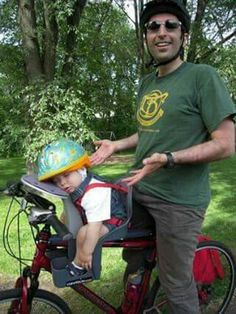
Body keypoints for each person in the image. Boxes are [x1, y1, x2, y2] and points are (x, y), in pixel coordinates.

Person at [91, 0, 236, 313]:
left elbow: (226, 144)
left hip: (178, 201)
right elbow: (148, 131)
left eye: (171, 25)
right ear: (146, 37)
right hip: (139, 188)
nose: (161, 32)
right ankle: (137, 302)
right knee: (133, 259)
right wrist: (116, 146)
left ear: (183, 35)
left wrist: (169, 158)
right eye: (153, 27)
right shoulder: (146, 83)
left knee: (176, 283)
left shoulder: (202, 77)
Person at [37, 138, 127, 284]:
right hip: (97, 216)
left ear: (81, 169)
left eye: (66, 175)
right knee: (81, 232)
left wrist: (86, 253)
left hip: (114, 220)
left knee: (85, 233)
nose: (62, 183)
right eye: (56, 180)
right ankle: (76, 257)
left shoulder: (94, 192)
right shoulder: (76, 185)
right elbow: (71, 208)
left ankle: (80, 264)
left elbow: (94, 228)